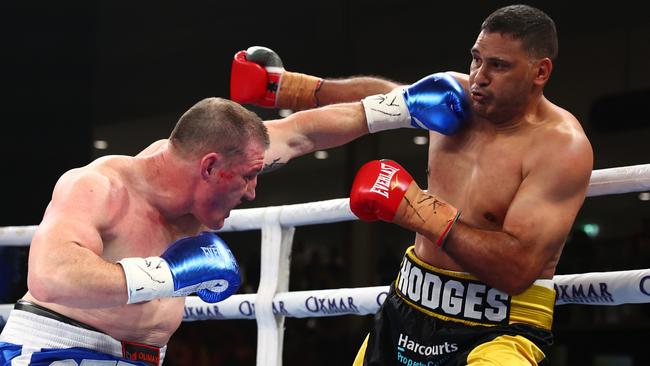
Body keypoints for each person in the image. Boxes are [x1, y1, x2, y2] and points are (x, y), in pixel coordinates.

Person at [230, 4, 593, 365]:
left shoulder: (560, 147)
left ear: (540, 71)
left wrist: (417, 210)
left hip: (499, 328)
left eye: (498, 65)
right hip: (409, 306)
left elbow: (517, 270)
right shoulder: (457, 98)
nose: (479, 76)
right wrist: (287, 88)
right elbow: (385, 98)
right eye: (476, 59)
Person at [0, 97, 269, 365]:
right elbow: (50, 276)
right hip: (54, 349)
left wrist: (299, 89)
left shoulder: (235, 156)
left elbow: (296, 137)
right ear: (209, 165)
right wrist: (167, 275)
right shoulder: (99, 186)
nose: (252, 192)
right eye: (248, 176)